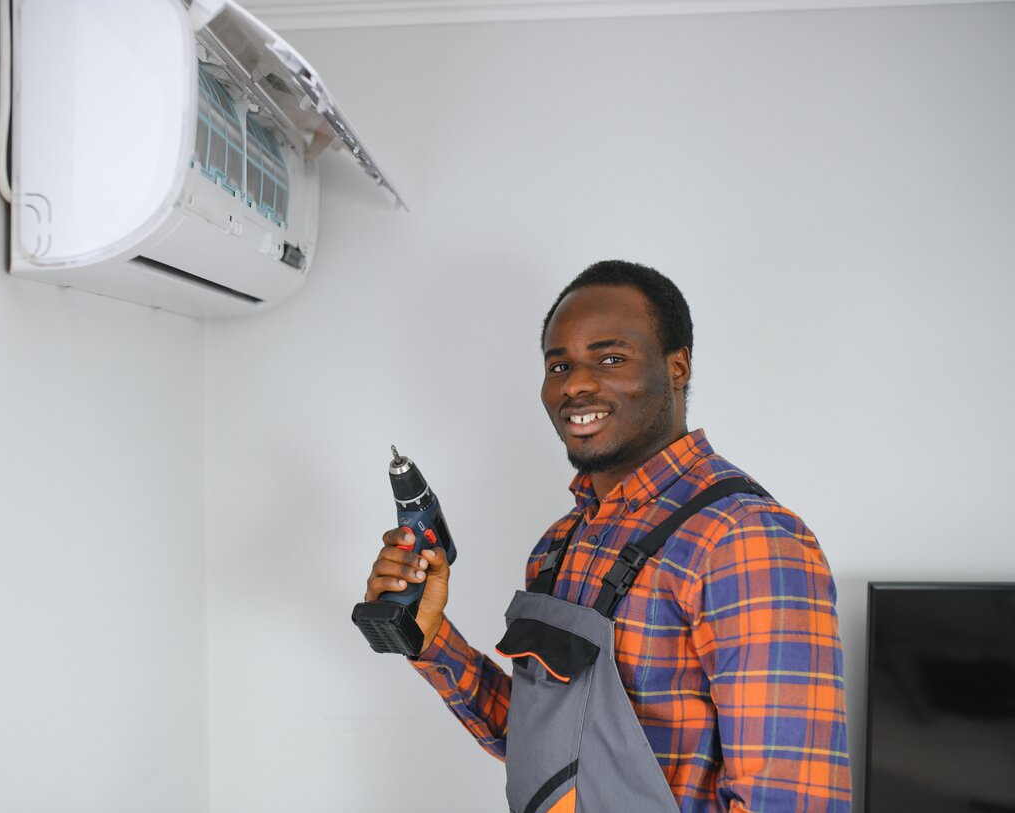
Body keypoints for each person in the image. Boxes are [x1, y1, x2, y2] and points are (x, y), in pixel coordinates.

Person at [363, 260, 852, 812]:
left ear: (677, 366)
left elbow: (789, 803)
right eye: (558, 365)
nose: (576, 383)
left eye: (611, 358)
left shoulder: (742, 541)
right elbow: (544, 747)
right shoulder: (560, 545)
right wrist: (428, 635)